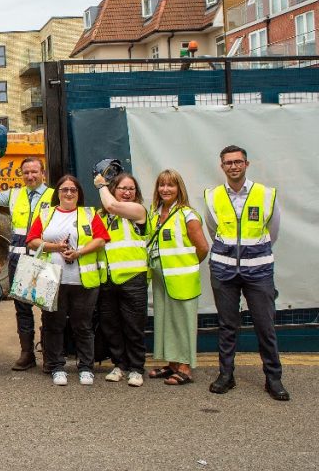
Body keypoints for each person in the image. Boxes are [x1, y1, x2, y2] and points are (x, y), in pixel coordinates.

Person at [203, 145, 287, 401]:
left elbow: (272, 232)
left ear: (246, 164)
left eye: (238, 162)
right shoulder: (212, 195)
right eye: (228, 163)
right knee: (227, 325)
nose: (233, 166)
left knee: (265, 326)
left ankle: (273, 379)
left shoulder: (265, 194)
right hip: (223, 269)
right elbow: (212, 227)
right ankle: (226, 376)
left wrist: (251, 253)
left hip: (258, 271)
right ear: (222, 167)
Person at [26, 174, 109, 386]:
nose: (69, 193)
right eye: (65, 189)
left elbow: (101, 239)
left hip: (83, 281)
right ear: (58, 193)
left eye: (73, 189)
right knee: (54, 325)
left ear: (78, 193)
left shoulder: (89, 214)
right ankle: (56, 366)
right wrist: (57, 247)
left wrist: (79, 252)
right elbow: (32, 241)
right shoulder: (46, 214)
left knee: (83, 326)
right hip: (51, 279)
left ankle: (85, 367)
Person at [0, 155, 54, 372]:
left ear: (42, 173)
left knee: (47, 308)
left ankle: (49, 354)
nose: (30, 176)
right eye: (26, 172)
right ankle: (27, 354)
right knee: (22, 308)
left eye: (34, 172)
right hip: (18, 259)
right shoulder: (15, 195)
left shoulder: (53, 196)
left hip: (43, 258)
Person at [146, 169, 209, 387]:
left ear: (179, 189)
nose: (165, 189)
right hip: (160, 279)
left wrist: (187, 266)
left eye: (170, 185)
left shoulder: (187, 215)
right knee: (165, 321)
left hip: (181, 279)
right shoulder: (155, 213)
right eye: (161, 185)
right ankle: (172, 363)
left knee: (183, 324)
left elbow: (202, 248)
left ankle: (185, 367)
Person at [94, 171, 148, 387]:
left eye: (131, 189)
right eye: (123, 188)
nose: (127, 192)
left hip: (133, 279)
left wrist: (100, 185)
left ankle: (136, 368)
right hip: (108, 279)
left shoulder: (138, 210)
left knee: (134, 327)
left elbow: (112, 206)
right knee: (111, 326)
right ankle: (119, 364)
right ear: (114, 190)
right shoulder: (102, 215)